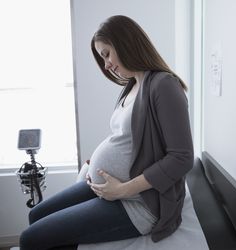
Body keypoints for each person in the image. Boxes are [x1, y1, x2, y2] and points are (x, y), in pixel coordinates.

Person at [19, 15, 194, 249]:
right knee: (35, 216)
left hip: (138, 203)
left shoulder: (164, 85)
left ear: (126, 43)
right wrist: (96, 164)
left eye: (106, 54)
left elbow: (181, 158)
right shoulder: (132, 85)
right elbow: (126, 137)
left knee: (30, 239)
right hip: (109, 188)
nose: (107, 65)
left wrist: (122, 189)